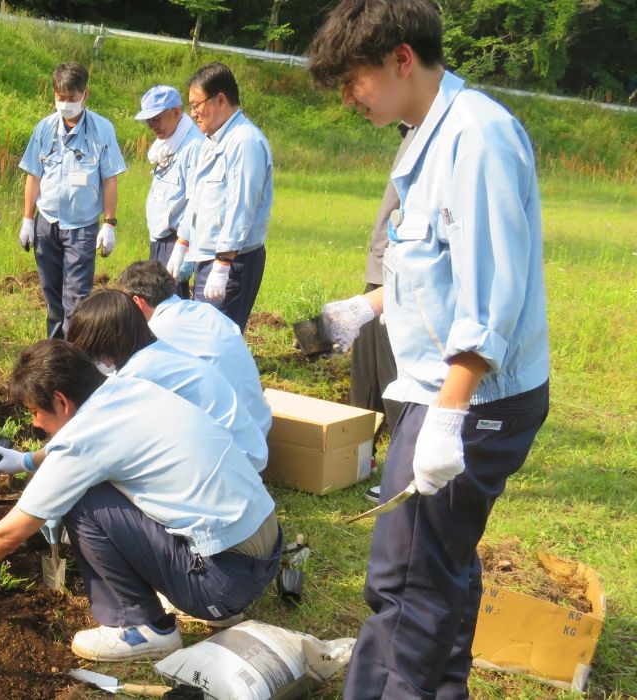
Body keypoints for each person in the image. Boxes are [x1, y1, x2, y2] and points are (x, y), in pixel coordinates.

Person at [307, 1, 551, 697]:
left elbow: (490, 297)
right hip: (439, 387)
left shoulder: (477, 138)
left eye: (353, 81)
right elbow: (433, 270)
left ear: (401, 59)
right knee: (439, 565)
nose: (349, 97)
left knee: (405, 579)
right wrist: (368, 307)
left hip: (470, 397)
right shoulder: (425, 132)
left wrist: (447, 420)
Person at [0, 340, 282, 662]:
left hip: (221, 584)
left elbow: (5, 536)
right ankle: (200, 594)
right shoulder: (130, 388)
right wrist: (31, 460)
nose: (37, 425)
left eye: (35, 413)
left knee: (84, 499)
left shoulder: (84, 441)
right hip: (263, 551)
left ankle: (142, 626)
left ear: (61, 401)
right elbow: (98, 444)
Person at [67, 289, 268, 471]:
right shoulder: (157, 351)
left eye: (94, 354)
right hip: (245, 451)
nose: (99, 361)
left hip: (232, 465)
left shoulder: (138, 376)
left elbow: (95, 436)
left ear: (105, 345)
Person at [117, 260, 272, 455]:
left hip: (226, 454)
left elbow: (122, 388)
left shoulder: (156, 334)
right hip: (259, 436)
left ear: (137, 302)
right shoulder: (206, 311)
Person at [18, 62, 127, 339]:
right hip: (48, 221)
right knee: (51, 292)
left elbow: (109, 178)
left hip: (82, 225)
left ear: (85, 95)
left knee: (77, 298)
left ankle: (74, 351)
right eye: (60, 98)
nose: (66, 104)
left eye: (71, 98)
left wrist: (109, 223)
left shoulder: (102, 130)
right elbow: (34, 175)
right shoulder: (44, 129)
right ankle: (56, 349)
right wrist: (27, 221)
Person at [167, 62, 273, 331]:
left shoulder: (245, 141)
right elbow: (199, 200)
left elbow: (242, 207)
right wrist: (182, 244)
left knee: (216, 340)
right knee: (203, 336)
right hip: (206, 257)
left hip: (232, 263)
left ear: (221, 99)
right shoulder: (212, 141)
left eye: (196, 105)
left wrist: (224, 262)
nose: (193, 114)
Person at [350, 123, 413, 503]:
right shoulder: (411, 131)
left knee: (397, 381)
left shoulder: (437, 132)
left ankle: (403, 473)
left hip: (402, 281)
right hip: (381, 270)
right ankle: (356, 457)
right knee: (367, 375)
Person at [134, 85, 203, 299]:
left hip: (176, 241)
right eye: (149, 120)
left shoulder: (193, 146)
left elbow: (197, 202)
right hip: (160, 238)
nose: (152, 125)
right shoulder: (166, 144)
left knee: (170, 305)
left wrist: (185, 249)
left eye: (157, 118)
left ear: (176, 112)